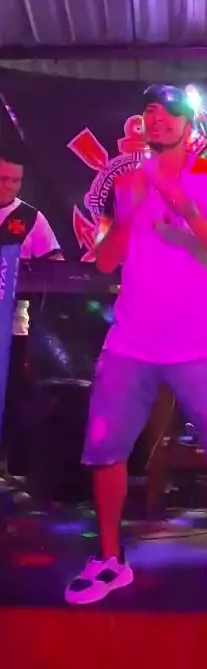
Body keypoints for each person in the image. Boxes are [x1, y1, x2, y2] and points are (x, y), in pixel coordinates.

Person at [65, 85, 207, 605]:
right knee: (105, 451)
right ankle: (109, 561)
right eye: (150, 112)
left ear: (188, 124)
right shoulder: (126, 182)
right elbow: (105, 260)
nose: (158, 119)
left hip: (199, 341)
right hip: (131, 341)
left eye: (170, 113)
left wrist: (186, 211)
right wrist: (132, 210)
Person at [0, 143, 62, 470]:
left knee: (12, 396)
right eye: (3, 179)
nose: (9, 187)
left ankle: (8, 468)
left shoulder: (30, 219)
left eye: (16, 181)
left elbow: (56, 265)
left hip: (13, 327)